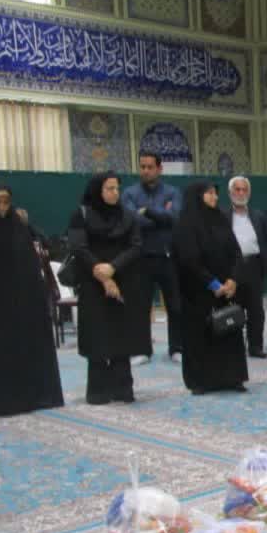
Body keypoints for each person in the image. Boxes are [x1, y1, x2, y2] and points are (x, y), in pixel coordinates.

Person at [0, 186, 63, 416]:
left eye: (6, 202)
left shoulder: (18, 227)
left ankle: (28, 396)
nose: (2, 207)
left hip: (18, 302)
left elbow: (30, 263)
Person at [68, 172, 147, 405]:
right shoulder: (81, 215)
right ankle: (98, 391)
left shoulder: (128, 216)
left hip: (125, 280)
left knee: (122, 335)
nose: (115, 193)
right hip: (92, 283)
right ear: (97, 191)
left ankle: (122, 388)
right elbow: (79, 247)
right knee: (97, 335)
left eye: (116, 188)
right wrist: (102, 275)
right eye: (109, 188)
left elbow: (136, 246)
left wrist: (113, 268)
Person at [174, 181, 248, 395]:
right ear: (197, 196)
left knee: (229, 330)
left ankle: (232, 378)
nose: (215, 197)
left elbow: (236, 252)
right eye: (209, 193)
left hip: (226, 290)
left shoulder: (221, 219)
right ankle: (201, 381)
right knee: (200, 335)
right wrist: (213, 284)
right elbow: (189, 260)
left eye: (215, 193)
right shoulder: (186, 224)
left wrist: (233, 280)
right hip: (198, 292)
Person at [122, 150, 183, 363]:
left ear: (159, 168)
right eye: (142, 167)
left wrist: (146, 210)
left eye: (150, 167)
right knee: (139, 306)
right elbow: (132, 220)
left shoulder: (173, 192)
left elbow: (174, 218)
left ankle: (177, 348)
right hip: (141, 257)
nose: (146, 171)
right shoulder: (129, 193)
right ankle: (141, 350)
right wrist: (160, 215)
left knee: (175, 305)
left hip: (168, 256)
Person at [227, 175, 267, 360]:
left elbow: (265, 240)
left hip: (254, 267)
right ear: (230, 193)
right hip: (232, 269)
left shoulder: (259, 216)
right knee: (233, 310)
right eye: (237, 189)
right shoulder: (222, 216)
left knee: (256, 311)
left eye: (244, 189)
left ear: (249, 193)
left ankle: (256, 346)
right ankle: (233, 347)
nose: (241, 193)